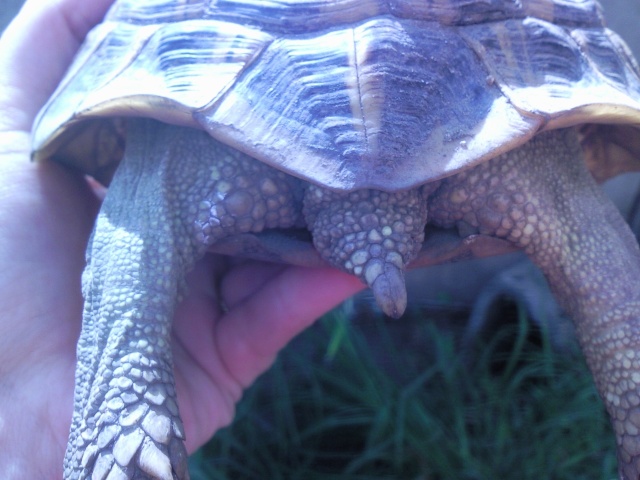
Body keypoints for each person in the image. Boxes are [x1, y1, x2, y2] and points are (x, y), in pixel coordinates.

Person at [0, 0, 364, 477]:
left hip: (188, 78)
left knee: (156, 184)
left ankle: (118, 419)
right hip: (436, 76)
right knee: (159, 175)